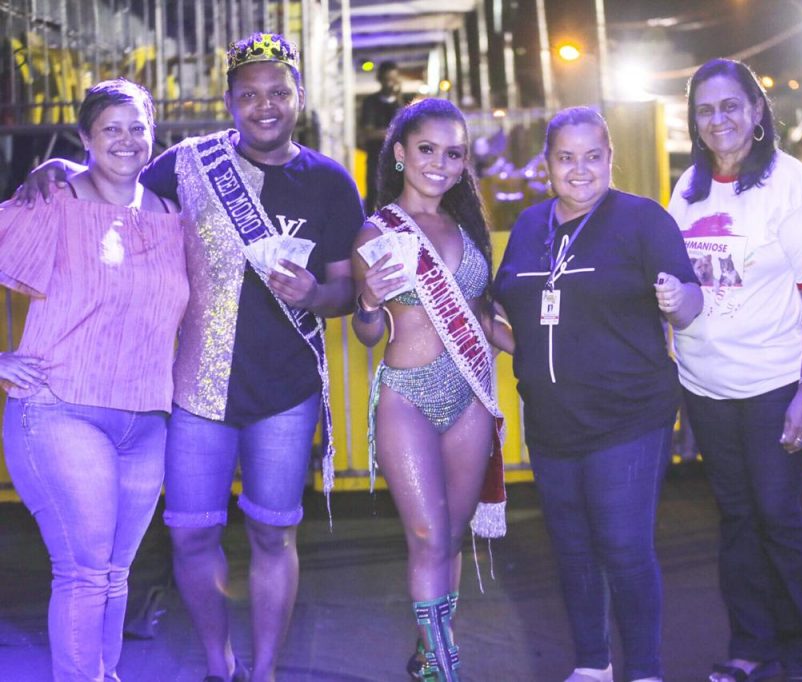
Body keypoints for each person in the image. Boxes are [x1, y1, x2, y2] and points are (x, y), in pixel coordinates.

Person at [16, 33, 364, 682]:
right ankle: (218, 664)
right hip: (196, 390)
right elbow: (111, 180)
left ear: (300, 96)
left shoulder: (331, 183)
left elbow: (348, 290)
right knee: (191, 534)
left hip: (286, 394)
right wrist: (60, 166)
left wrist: (316, 294)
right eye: (249, 95)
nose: (264, 105)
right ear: (228, 101)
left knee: (273, 535)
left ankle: (265, 671)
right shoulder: (187, 164)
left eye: (278, 92)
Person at [493, 106, 703, 682]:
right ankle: (592, 665)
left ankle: (645, 671)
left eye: (592, 156)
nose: (579, 169)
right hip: (551, 421)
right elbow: (506, 314)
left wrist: (676, 300)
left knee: (623, 546)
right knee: (573, 549)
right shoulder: (529, 227)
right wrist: (489, 332)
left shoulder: (642, 219)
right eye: (566, 157)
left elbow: (690, 301)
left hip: (628, 416)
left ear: (610, 158)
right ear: (547, 163)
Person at [0, 79, 188, 681]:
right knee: (83, 573)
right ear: (85, 137)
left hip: (146, 419)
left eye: (137, 127)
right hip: (60, 409)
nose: (126, 140)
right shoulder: (53, 201)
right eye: (111, 129)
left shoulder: (172, 216)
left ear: (153, 134)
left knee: (112, 575)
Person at [667, 59, 802, 682]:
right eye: (705, 110)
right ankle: (751, 643)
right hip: (706, 387)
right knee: (738, 518)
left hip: (775, 386)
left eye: (731, 106)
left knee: (779, 515)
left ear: (758, 110)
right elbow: (681, 290)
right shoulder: (688, 189)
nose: (719, 120)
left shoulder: (793, 187)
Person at [351, 97, 512, 681]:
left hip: (468, 394)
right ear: (399, 153)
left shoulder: (468, 227)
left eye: (453, 154)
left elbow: (483, 317)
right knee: (425, 534)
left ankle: (428, 656)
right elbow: (368, 334)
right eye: (426, 149)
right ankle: (445, 668)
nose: (439, 164)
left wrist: (549, 352)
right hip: (408, 397)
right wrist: (369, 301)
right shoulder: (377, 230)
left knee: (450, 537)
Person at [358, 60, 404, 213]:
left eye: (393, 79)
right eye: (386, 79)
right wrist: (394, 132)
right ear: (380, 79)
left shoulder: (401, 103)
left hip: (397, 161)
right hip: (375, 159)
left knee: (398, 199)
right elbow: (368, 133)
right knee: (373, 197)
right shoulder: (370, 103)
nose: (390, 84)